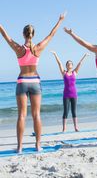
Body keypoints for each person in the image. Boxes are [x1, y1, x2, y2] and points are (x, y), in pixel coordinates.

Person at [0, 13, 66, 153]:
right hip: (35, 81)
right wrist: (60, 21)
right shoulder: (39, 48)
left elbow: (5, 36)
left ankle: (19, 147)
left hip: (22, 81)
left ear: (23, 34)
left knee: (21, 115)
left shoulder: (19, 49)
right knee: (36, 115)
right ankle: (37, 145)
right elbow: (51, 34)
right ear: (33, 35)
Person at [50, 51, 89, 132]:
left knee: (74, 111)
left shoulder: (75, 72)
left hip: (74, 94)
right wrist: (55, 54)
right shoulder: (64, 73)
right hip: (66, 95)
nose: (69, 65)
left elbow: (80, 63)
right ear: (66, 66)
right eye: (68, 64)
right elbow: (59, 63)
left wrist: (85, 56)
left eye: (70, 63)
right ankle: (64, 128)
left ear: (72, 65)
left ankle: (76, 128)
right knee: (65, 112)